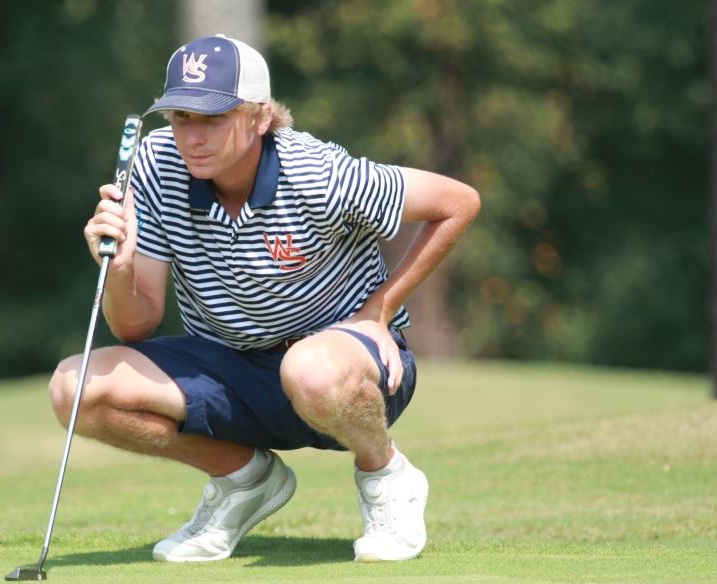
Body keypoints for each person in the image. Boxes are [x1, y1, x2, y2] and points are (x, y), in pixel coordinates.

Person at [50, 34, 480, 563]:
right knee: (74, 391)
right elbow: (136, 325)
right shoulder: (157, 165)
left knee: (309, 369)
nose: (192, 137)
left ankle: (385, 473)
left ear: (260, 117)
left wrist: (379, 312)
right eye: (180, 117)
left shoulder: (318, 172)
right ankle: (244, 480)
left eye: (213, 118)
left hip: (343, 366)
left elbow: (458, 202)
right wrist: (119, 268)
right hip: (231, 367)